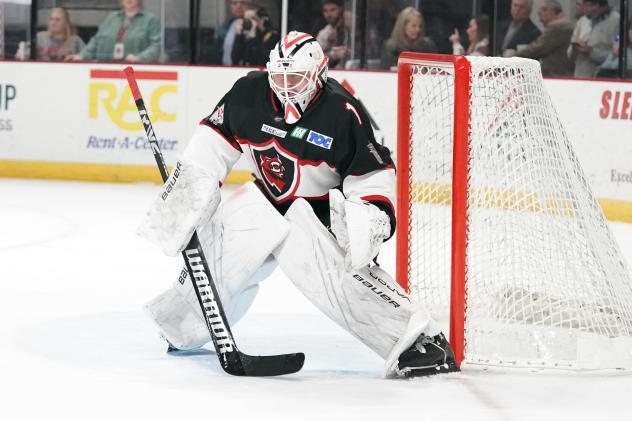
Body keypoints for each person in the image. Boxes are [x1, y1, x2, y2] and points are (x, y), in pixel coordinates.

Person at [139, 31, 459, 378]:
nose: (286, 86)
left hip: (316, 213)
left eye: (296, 78)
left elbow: (371, 173)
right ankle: (182, 329)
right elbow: (211, 147)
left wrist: (370, 216)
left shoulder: (342, 112)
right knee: (219, 254)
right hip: (264, 199)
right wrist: (185, 199)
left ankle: (422, 342)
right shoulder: (248, 93)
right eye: (279, 77)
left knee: (339, 281)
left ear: (319, 74)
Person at [65, 0, 160, 63]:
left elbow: (156, 46)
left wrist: (139, 58)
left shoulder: (150, 20)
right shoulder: (112, 17)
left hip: (134, 72)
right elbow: (97, 40)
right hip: (107, 70)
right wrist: (82, 56)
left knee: (131, 94)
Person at [515, 0, 573, 76]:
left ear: (547, 11)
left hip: (556, 73)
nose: (540, 20)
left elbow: (539, 48)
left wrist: (514, 55)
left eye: (540, 14)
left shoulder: (557, 27)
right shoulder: (566, 23)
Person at [570, 0, 620, 78]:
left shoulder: (617, 21)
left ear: (597, 5)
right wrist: (574, 48)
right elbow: (569, 54)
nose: (583, 9)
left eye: (587, 5)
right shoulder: (582, 21)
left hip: (602, 80)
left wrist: (591, 52)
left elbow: (616, 56)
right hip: (580, 78)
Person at [15, 7, 84, 61]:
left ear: (66, 23)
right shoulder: (39, 37)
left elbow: (88, 57)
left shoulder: (75, 40)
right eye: (51, 19)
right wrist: (21, 53)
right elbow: (22, 53)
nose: (53, 22)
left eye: (58, 20)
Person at [316, 0, 350, 69]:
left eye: (332, 10)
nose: (329, 14)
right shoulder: (324, 33)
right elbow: (316, 60)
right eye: (325, 11)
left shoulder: (352, 30)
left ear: (340, 10)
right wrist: (332, 55)